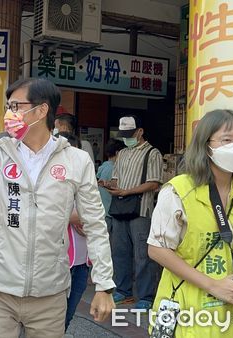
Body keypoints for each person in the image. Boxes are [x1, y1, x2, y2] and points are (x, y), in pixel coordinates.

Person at [0, 78, 115, 337]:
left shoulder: (76, 160)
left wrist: (104, 285)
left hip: (49, 293)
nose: (9, 114)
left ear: (42, 110)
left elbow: (95, 223)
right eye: (8, 106)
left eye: (16, 106)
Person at [148, 109, 233, 337]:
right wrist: (213, 285)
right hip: (189, 311)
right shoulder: (178, 190)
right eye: (227, 139)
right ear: (206, 146)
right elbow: (157, 249)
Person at [105, 115, 163, 310]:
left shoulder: (152, 153)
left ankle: (146, 296)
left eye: (130, 134)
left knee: (142, 255)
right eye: (124, 135)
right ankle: (123, 291)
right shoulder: (121, 154)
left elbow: (154, 183)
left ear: (140, 132)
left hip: (141, 210)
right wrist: (108, 185)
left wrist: (127, 191)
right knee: (119, 252)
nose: (126, 138)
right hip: (120, 208)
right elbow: (116, 180)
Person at [55, 132, 89, 332]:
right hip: (59, 261)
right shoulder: (50, 181)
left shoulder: (84, 180)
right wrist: (73, 215)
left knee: (66, 319)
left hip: (82, 262)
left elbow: (94, 217)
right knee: (52, 320)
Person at [96, 140, 125, 226]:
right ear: (118, 153)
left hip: (103, 211)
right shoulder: (113, 168)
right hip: (109, 213)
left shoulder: (104, 166)